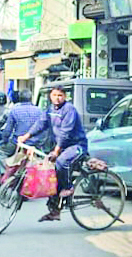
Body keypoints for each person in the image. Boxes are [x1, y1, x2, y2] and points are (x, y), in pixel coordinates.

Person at [21, 87, 88, 222]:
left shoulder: (69, 110)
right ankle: (55, 210)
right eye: (54, 95)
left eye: (60, 95)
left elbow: (65, 132)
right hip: (60, 146)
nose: (57, 98)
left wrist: (56, 151)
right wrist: (26, 136)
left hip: (76, 146)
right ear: (50, 96)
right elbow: (41, 124)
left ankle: (68, 187)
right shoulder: (50, 110)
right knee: (50, 173)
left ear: (65, 96)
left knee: (61, 162)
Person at [0, 89, 48, 181]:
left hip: (18, 143)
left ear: (20, 99)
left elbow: (8, 130)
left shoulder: (14, 110)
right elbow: (44, 130)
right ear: (31, 98)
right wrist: (40, 143)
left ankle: (5, 173)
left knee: (1, 152)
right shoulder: (40, 111)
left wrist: (5, 140)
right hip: (35, 145)